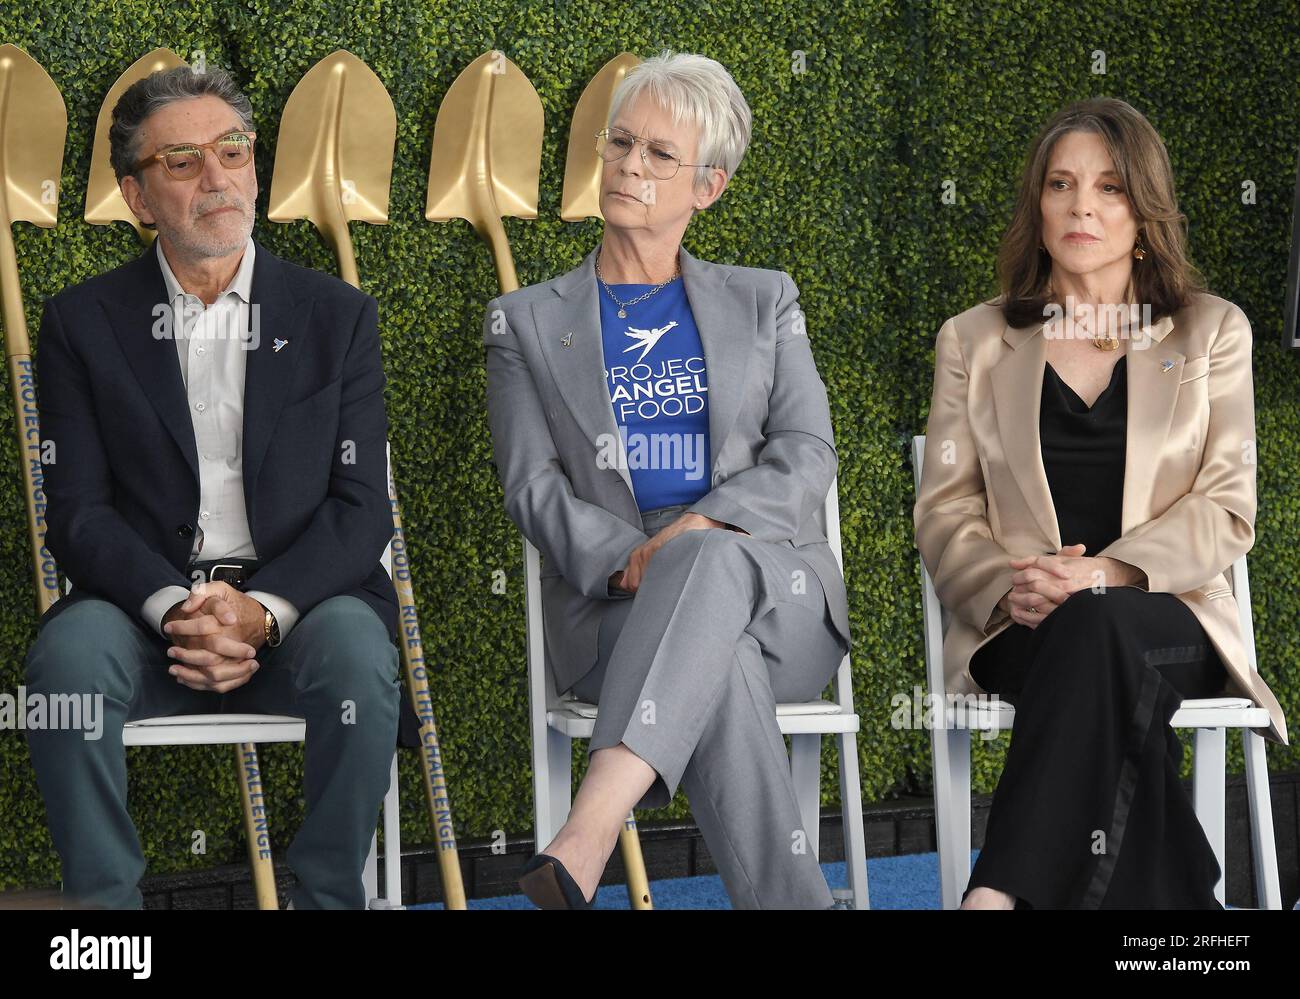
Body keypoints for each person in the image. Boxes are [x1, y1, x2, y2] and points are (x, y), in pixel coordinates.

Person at [25, 65, 401, 909]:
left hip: (301, 612)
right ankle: (106, 922)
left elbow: (359, 507)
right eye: (183, 160)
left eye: (233, 150)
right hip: (144, 615)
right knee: (66, 663)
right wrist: (176, 605)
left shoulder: (336, 317)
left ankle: (331, 898)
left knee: (359, 656)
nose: (218, 177)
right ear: (135, 194)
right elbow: (77, 514)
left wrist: (260, 609)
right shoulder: (82, 323)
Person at [482, 50, 851, 908]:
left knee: (710, 565)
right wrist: (632, 558)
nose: (628, 168)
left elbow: (807, 452)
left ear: (708, 188)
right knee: (717, 658)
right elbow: (531, 486)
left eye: (658, 156)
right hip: (620, 610)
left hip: (778, 593)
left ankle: (589, 830)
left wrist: (694, 535)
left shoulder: (766, 300)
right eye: (620, 144)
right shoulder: (525, 323)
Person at [914, 96, 1288, 910]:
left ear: (1145, 213)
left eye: (1111, 188)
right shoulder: (973, 340)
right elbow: (945, 509)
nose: (1082, 205)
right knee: (1094, 658)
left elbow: (1226, 504)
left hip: (1168, 614)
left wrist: (1108, 573)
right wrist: (1008, 584)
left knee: (1101, 626)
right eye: (1061, 184)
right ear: (1037, 207)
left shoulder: (1211, 332)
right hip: (1023, 620)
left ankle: (995, 894)